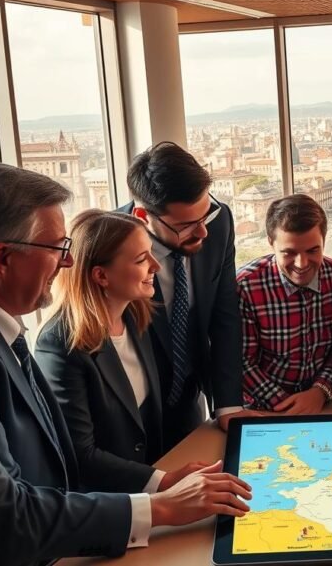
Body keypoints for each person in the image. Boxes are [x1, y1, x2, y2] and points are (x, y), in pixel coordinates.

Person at [0, 164, 250, 555]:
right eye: (57, 249)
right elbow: (2, 510)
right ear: (0, 260)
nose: (68, 262)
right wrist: (162, 506)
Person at [36, 210, 202, 494]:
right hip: (107, 503)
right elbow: (80, 455)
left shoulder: (136, 316)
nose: (156, 266)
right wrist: (163, 481)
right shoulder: (60, 344)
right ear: (101, 275)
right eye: (141, 260)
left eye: (150, 253)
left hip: (149, 485)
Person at [120, 141, 252, 447]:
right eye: (187, 225)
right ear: (143, 215)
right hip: (135, 413)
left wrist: (228, 404)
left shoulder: (219, 222)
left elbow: (225, 315)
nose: (203, 231)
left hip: (191, 398)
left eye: (204, 215)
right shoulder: (109, 242)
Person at [236, 194, 332, 414]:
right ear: (271, 242)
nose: (302, 263)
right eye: (289, 252)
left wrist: (319, 392)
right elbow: (242, 363)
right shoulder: (246, 287)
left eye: (313, 251)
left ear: (324, 241)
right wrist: (286, 405)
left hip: (322, 405)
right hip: (262, 410)